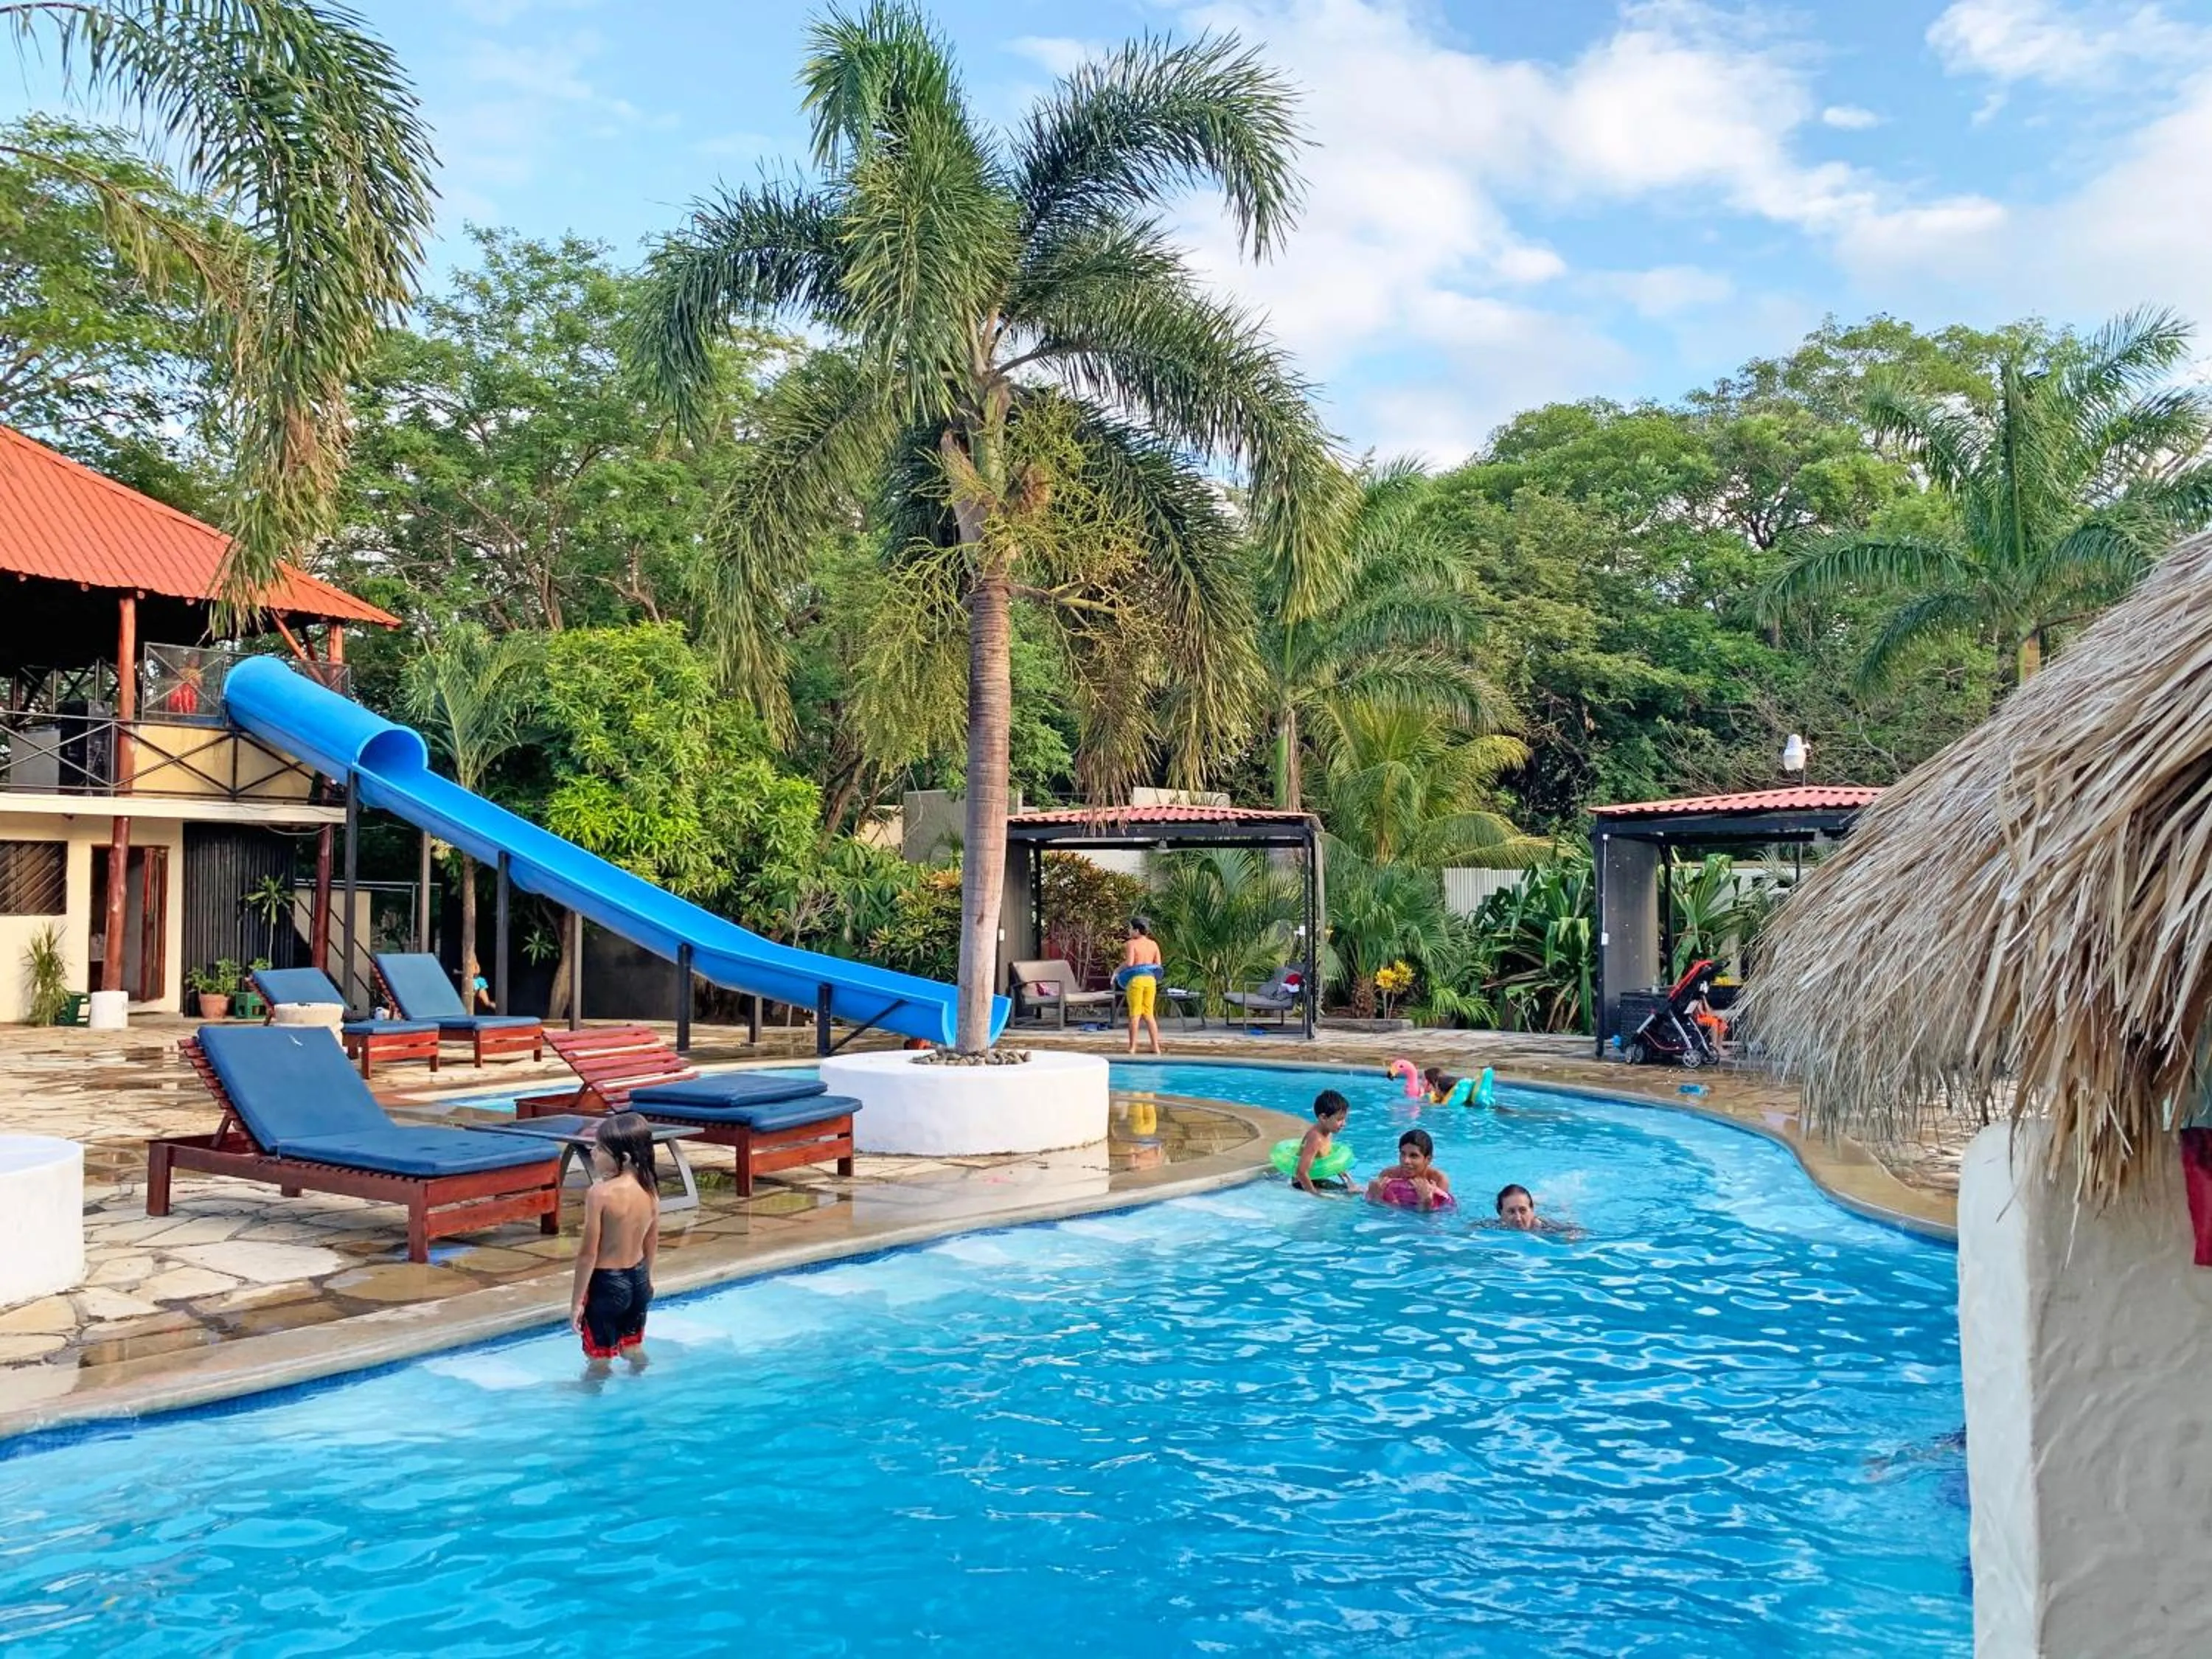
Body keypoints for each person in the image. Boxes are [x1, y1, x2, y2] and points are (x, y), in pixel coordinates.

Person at [570, 1113, 659, 1370]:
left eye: (600, 1149)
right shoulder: (649, 1187)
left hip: (607, 1285)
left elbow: (588, 1254)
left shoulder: (600, 1193)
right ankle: (642, 1386)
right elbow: (651, 1240)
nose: (593, 1152)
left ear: (625, 1158)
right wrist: (648, 1279)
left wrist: (576, 1303)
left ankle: (592, 1400)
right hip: (639, 1280)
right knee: (632, 1348)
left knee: (599, 1358)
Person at [1366, 1127, 1454, 1211]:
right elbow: (1382, 1216)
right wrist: (1377, 1199)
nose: (1406, 1161)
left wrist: (1426, 1202)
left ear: (1428, 1159)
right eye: (1403, 1154)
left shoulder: (1438, 1179)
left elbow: (1438, 1220)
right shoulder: (1389, 1175)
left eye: (1414, 1156)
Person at [1118, 915, 1165, 1057]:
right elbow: (1158, 965)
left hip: (1136, 981)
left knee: (1135, 1015)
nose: (1129, 932)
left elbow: (1130, 964)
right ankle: (1156, 1047)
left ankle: (1132, 1048)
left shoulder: (1131, 944)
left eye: (1131, 929)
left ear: (1137, 930)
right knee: (1149, 1015)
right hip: (1151, 981)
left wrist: (1117, 970)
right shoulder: (1154, 944)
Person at [1291, 1089, 1352, 1194]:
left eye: (1345, 1119)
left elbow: (1332, 1160)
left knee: (1350, 1192)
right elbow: (1301, 1172)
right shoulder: (1315, 1138)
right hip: (1302, 1184)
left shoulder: (1328, 1132)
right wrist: (1315, 1194)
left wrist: (1350, 1183)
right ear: (1323, 1118)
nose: (1344, 1124)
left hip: (1316, 1180)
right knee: (1344, 1197)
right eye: (1340, 1119)